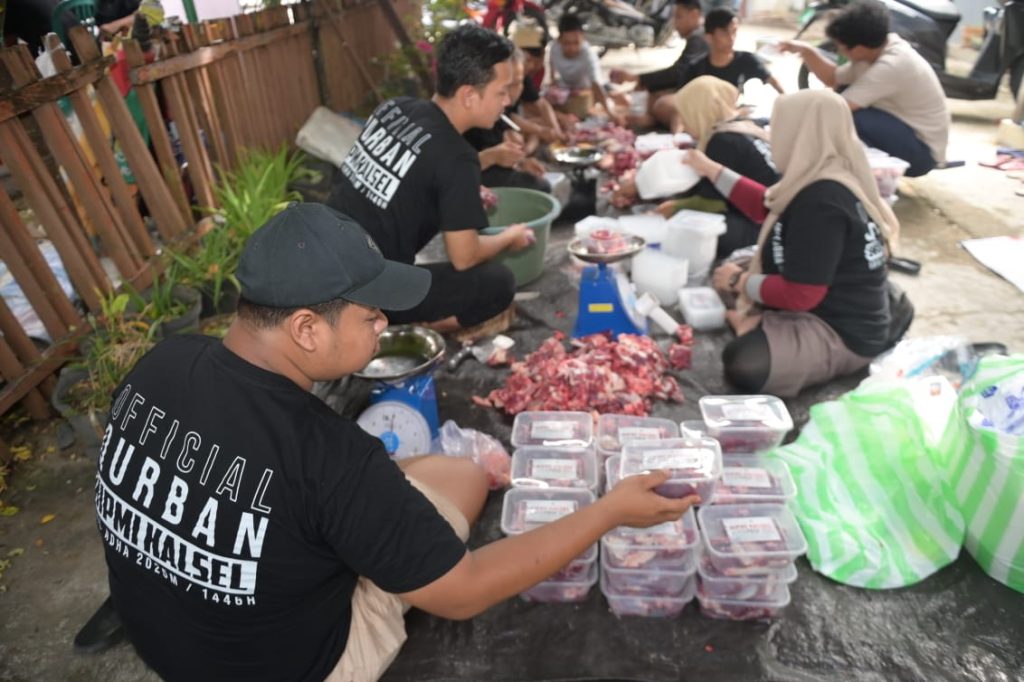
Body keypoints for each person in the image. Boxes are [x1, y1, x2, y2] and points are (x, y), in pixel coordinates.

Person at [94, 201, 698, 681]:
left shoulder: (162, 363)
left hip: (167, 640)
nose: (385, 324)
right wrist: (609, 511)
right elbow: (464, 593)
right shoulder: (328, 454)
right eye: (371, 315)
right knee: (465, 479)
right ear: (306, 328)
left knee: (421, 482)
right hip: (289, 667)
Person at [682, 90, 906, 397]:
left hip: (839, 328)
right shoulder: (823, 173)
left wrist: (739, 281)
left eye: (778, 128)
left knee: (745, 363)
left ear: (801, 134)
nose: (771, 136)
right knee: (729, 270)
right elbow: (764, 204)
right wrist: (710, 168)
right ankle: (760, 320)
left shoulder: (822, 202)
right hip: (830, 295)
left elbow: (802, 294)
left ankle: (756, 325)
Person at [326, 24, 530, 339]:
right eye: (501, 92)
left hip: (323, 264)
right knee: (498, 282)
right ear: (469, 95)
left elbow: (418, 171)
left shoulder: (394, 108)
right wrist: (509, 236)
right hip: (367, 292)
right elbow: (465, 257)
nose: (506, 101)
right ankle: (414, 327)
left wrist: (477, 173)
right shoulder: (457, 158)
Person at [781, 0, 949, 176]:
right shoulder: (876, 49)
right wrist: (806, 51)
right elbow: (833, 78)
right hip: (901, 130)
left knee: (845, 116)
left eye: (840, 46)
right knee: (838, 104)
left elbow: (839, 107)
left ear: (859, 49)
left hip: (922, 151)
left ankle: (858, 174)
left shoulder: (892, 65)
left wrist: (786, 115)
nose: (839, 51)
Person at [659, 75, 780, 258]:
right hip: (777, 218)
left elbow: (712, 202)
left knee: (687, 229)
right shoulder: (746, 124)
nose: (683, 124)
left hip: (762, 227)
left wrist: (673, 207)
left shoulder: (722, 141)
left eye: (686, 115)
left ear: (699, 113)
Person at [465, 49, 554, 193]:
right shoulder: (463, 120)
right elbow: (448, 171)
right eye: (506, 86)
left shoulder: (499, 109)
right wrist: (491, 157)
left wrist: (520, 162)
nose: (508, 97)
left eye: (518, 83)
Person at [608, 0, 707, 128]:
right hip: (692, 90)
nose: (675, 23)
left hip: (701, 97)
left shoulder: (699, 38)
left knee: (661, 103)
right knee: (651, 94)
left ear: (694, 15)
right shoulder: (699, 36)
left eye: (679, 17)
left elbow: (678, 73)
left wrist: (636, 78)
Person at [678, 8, 783, 94]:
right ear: (709, 38)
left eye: (734, 31)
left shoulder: (747, 60)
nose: (731, 38)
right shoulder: (696, 70)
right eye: (724, 33)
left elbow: (773, 82)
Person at [547, 14, 623, 124]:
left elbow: (596, 84)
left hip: (591, 90)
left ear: (583, 38)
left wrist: (610, 113)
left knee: (621, 100)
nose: (572, 48)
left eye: (576, 43)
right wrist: (553, 84)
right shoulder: (554, 48)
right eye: (567, 43)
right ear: (559, 40)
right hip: (567, 89)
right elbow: (552, 70)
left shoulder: (588, 54)